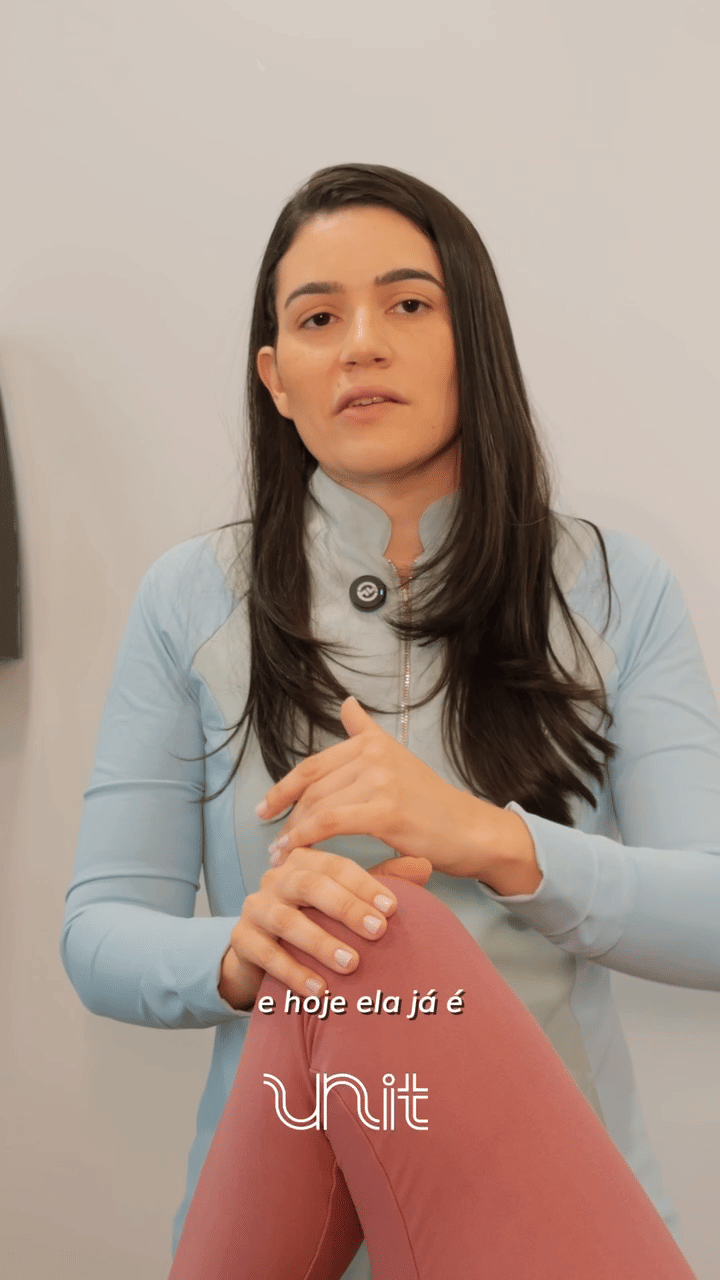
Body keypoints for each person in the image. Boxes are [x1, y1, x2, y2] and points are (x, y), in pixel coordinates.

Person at [60, 163, 719, 1278]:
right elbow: (100, 930)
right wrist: (243, 949)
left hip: (553, 1217)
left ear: (476, 341)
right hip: (286, 1219)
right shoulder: (191, 597)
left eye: (408, 303)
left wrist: (494, 841)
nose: (360, 345)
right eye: (318, 318)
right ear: (276, 377)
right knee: (369, 929)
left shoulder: (614, 587)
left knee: (396, 925)